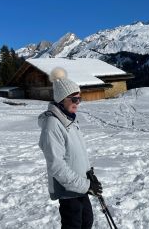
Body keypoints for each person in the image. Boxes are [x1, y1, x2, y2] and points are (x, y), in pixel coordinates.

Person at [38, 67, 103, 229]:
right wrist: (86, 185)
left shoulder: (70, 121)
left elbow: (76, 155)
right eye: (74, 99)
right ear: (61, 100)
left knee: (87, 222)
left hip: (80, 185)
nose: (77, 103)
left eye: (79, 99)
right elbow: (56, 166)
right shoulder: (53, 124)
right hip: (68, 191)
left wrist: (90, 177)